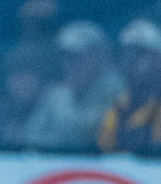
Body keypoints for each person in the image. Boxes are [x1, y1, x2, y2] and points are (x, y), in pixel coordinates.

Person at [21, 21, 122, 153]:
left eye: (76, 58)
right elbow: (32, 138)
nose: (69, 65)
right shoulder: (55, 96)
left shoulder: (119, 92)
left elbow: (94, 135)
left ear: (99, 56)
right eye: (65, 58)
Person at [95, 20, 161, 155]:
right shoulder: (118, 103)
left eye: (140, 54)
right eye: (127, 54)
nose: (131, 61)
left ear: (160, 60)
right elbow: (104, 146)